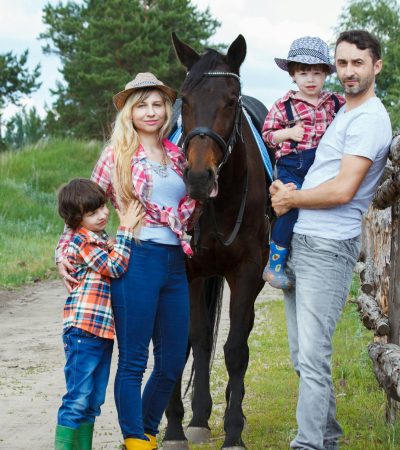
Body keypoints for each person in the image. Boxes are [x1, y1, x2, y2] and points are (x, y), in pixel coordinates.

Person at [56, 72, 199, 450]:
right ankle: (136, 440)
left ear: (167, 110)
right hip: (135, 260)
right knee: (134, 359)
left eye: (157, 104)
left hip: (173, 261)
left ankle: (147, 430)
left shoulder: (177, 154)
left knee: (171, 361)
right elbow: (81, 207)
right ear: (130, 113)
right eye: (142, 106)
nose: (151, 112)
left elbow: (191, 204)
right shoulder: (116, 155)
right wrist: (62, 252)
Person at [270, 30, 392, 450]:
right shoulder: (342, 112)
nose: (348, 71)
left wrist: (291, 198)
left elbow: (343, 190)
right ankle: (327, 436)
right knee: (301, 356)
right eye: (342, 63)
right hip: (304, 240)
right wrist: (284, 195)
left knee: (313, 357)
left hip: (327, 248)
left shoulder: (370, 118)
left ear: (376, 66)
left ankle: (308, 444)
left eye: (358, 63)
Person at [54, 178, 143, 449]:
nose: (103, 214)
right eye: (93, 213)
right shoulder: (82, 242)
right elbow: (115, 267)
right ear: (75, 220)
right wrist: (126, 230)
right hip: (83, 331)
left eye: (103, 207)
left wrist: (117, 240)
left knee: (92, 401)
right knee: (78, 399)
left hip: (100, 332)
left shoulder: (97, 238)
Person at [262, 36, 345, 289]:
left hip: (322, 164)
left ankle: (324, 256)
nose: (310, 79)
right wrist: (288, 134)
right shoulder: (283, 105)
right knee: (290, 205)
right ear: (293, 75)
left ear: (325, 76)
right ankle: (275, 263)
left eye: (317, 73)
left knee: (324, 204)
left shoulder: (335, 102)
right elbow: (268, 134)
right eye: (304, 72)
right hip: (293, 165)